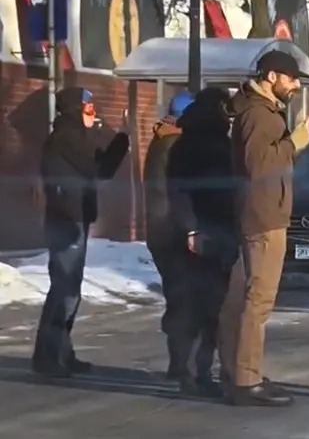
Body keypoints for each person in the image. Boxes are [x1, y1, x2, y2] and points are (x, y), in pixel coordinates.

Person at [227, 50, 309, 406]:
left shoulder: (261, 111)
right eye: (291, 78)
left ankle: (241, 372)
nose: (296, 86)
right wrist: (294, 143)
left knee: (251, 300)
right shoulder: (258, 114)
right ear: (272, 76)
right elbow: (259, 165)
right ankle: (245, 380)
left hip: (264, 214)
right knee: (258, 301)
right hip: (264, 218)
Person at [32, 87, 129, 377]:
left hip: (73, 218)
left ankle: (61, 352)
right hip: (66, 220)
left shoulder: (74, 137)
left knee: (69, 288)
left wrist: (121, 139)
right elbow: (98, 168)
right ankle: (48, 357)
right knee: (65, 290)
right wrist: (120, 138)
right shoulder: (68, 136)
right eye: (88, 107)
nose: (93, 113)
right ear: (76, 109)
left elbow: (100, 169)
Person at [165, 87, 239, 397]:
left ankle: (200, 370)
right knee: (201, 304)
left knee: (212, 304)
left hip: (219, 229)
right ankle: (194, 373)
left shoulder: (214, 141)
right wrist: (191, 229)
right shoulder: (193, 144)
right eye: (226, 109)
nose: (229, 116)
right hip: (202, 233)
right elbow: (178, 191)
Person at [143, 90, 193, 380]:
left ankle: (179, 362)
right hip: (175, 230)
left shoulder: (162, 139)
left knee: (176, 296)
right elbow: (181, 192)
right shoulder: (176, 145)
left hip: (160, 230)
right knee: (184, 298)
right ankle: (182, 365)